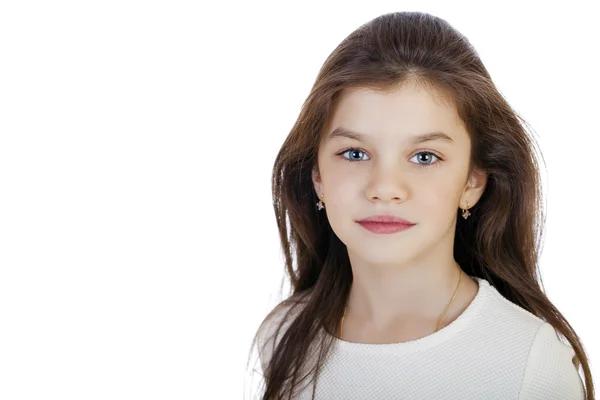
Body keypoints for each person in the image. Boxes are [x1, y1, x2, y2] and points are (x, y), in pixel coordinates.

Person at [247, 11, 594, 400]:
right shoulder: (282, 335)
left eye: (424, 157)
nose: (385, 188)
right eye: (355, 153)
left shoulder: (529, 365)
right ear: (317, 178)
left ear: (472, 183)